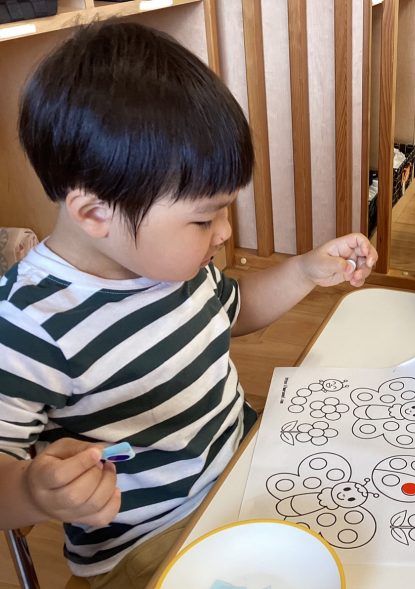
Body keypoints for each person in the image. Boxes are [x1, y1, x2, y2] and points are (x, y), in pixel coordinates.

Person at [0, 20, 377, 588]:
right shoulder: (30, 324)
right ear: (95, 212)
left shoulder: (172, 265)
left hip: (243, 473)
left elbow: (234, 313)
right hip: (150, 547)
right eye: (204, 217)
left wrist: (305, 270)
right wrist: (32, 491)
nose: (224, 232)